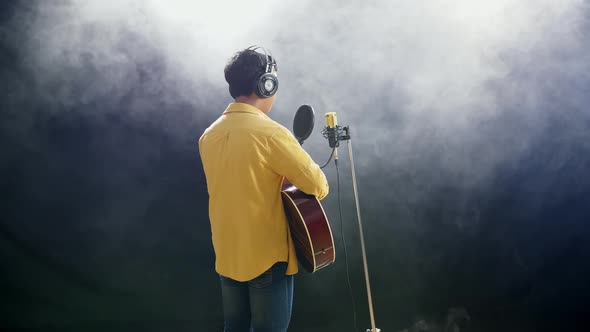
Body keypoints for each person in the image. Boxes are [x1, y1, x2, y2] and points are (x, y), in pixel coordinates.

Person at [198, 46, 329, 331]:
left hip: (228, 252)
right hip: (266, 256)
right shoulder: (271, 133)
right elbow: (318, 186)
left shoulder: (209, 136)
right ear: (267, 84)